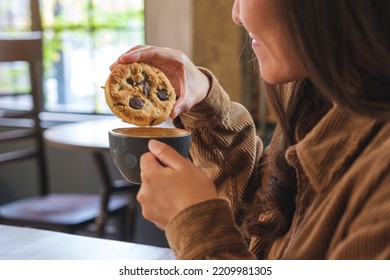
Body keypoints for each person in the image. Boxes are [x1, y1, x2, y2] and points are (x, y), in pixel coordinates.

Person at [110, 0, 390, 259]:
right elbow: (262, 219)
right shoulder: (318, 108)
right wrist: (207, 106)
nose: (236, 15)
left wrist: (196, 225)